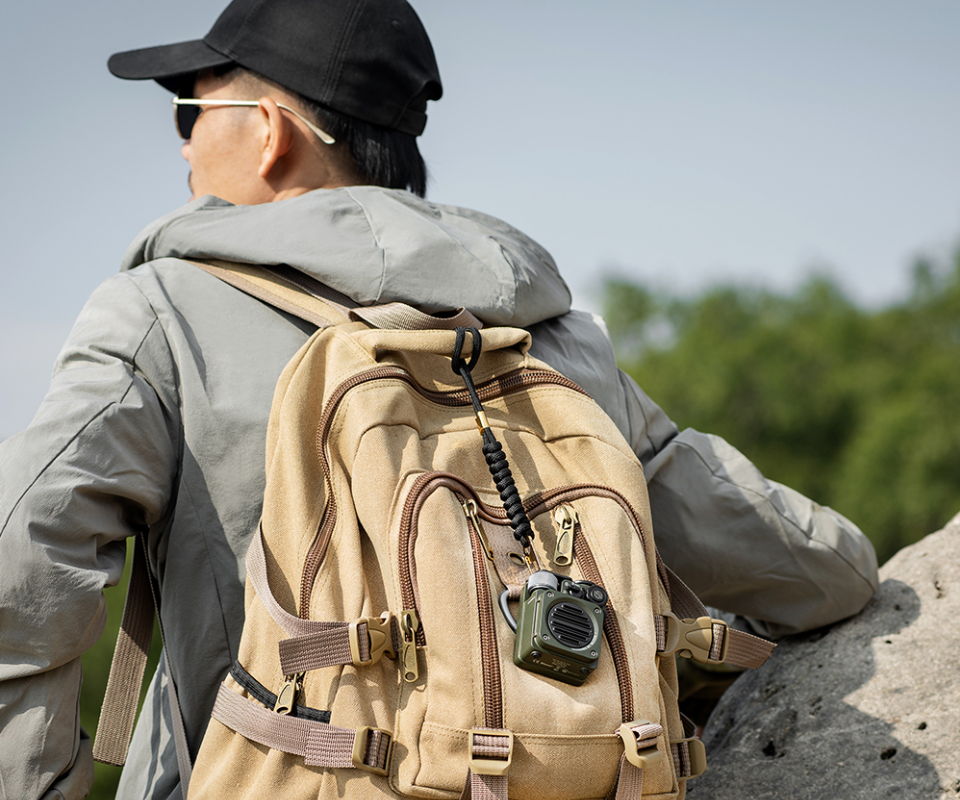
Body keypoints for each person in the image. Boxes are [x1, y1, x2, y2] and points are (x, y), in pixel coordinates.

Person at [0, 0, 879, 797]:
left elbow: (23, 571)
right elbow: (817, 572)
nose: (184, 143)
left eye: (190, 110)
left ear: (269, 131)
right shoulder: (553, 335)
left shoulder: (162, 315)